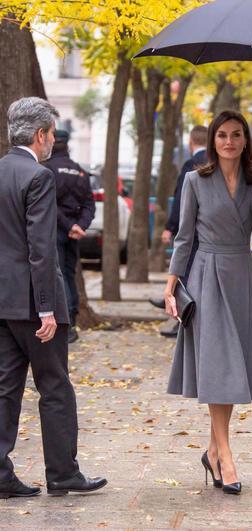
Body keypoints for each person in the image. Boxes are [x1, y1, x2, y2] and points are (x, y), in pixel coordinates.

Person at [164, 110, 252, 495]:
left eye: (236, 134)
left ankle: (212, 451)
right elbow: (183, 236)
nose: (229, 141)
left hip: (242, 275)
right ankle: (225, 456)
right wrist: (171, 284)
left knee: (232, 367)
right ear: (213, 141)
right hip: (206, 276)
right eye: (222, 135)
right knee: (218, 367)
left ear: (246, 141)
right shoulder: (195, 180)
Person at [0, 97, 107, 499]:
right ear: (42, 134)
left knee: (5, 387)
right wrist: (47, 306)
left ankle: (0, 472)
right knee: (55, 387)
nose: (50, 143)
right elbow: (41, 248)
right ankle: (62, 472)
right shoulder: (38, 176)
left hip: (3, 300)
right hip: (33, 302)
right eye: (49, 135)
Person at [150, 125, 208, 338]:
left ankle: (180, 314)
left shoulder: (191, 165)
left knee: (186, 272)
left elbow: (182, 200)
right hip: (210, 232)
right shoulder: (217, 163)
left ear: (192, 142)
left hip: (191, 230)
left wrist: (170, 227)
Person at [43, 130, 95, 343]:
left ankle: (67, 324)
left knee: (59, 275)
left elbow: (49, 204)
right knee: (69, 273)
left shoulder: (46, 170)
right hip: (73, 233)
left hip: (55, 230)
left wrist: (69, 225)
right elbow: (89, 205)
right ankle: (72, 318)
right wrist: (79, 226)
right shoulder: (80, 172)